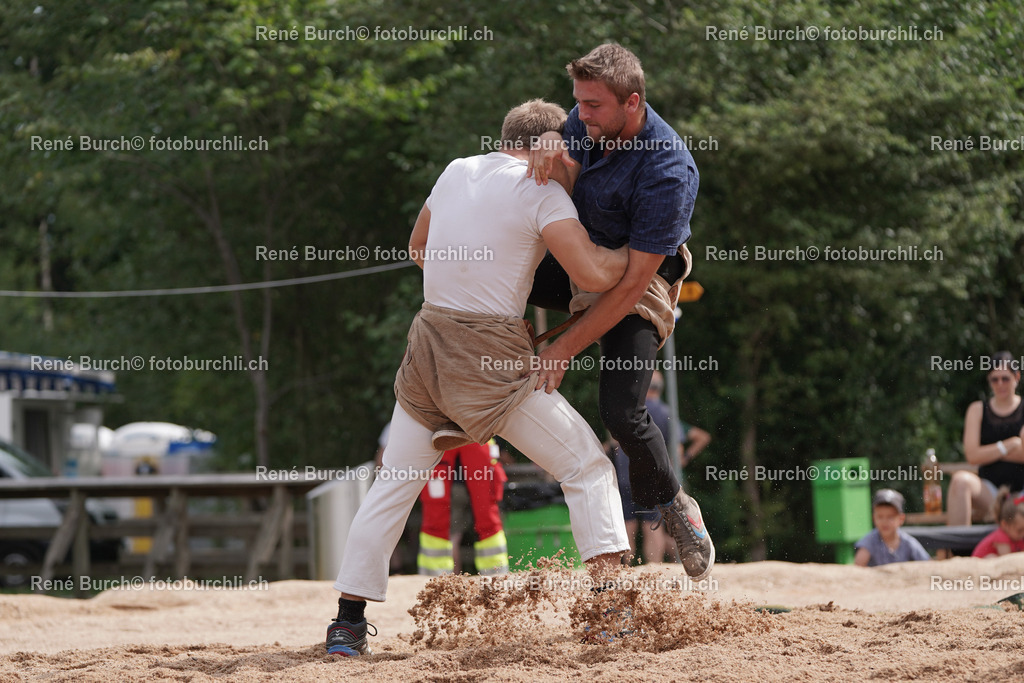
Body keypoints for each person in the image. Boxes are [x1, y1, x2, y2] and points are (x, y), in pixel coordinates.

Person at [325, 99, 632, 656]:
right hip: (488, 359)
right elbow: (592, 272)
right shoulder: (543, 190)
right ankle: (607, 611)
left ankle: (346, 623)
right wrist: (640, 258)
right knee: (586, 465)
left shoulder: (454, 170)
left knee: (393, 485)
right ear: (551, 147)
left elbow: (417, 247)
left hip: (427, 348)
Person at [525, 43, 713, 578]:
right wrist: (547, 139)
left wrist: (562, 347)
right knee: (497, 260)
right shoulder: (585, 120)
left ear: (632, 103)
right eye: (577, 104)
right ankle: (497, 351)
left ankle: (678, 508)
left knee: (621, 411)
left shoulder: (669, 169)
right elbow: (560, 133)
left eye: (593, 107)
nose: (580, 115)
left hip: (638, 279)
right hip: (582, 260)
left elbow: (630, 286)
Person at [613, 370, 710, 564]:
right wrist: (678, 467)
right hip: (653, 477)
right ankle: (653, 569)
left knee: (626, 524)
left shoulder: (628, 410)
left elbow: (615, 443)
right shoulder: (666, 413)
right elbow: (677, 449)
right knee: (653, 525)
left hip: (624, 475)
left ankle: (625, 570)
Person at [948, 351, 1024, 526]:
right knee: (960, 481)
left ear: (1016, 377)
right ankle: (958, 551)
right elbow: (972, 456)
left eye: (1005, 378)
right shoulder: (977, 409)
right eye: (994, 379)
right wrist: (1010, 445)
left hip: (1021, 495)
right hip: (989, 492)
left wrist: (987, 451)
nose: (1000, 384)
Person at [417, 441, 509, 577]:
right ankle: (496, 575)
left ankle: (495, 576)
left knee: (486, 522)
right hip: (458, 464)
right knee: (441, 525)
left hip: (459, 454)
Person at [854, 489, 930, 567]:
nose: (884, 521)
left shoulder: (908, 542)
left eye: (890, 517)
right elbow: (858, 566)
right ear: (873, 518)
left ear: (901, 519)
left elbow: (927, 564)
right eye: (880, 517)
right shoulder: (869, 541)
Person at [972, 487, 1024, 558]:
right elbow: (1006, 559)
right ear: (1004, 525)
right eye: (1019, 530)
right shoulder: (1001, 536)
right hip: (978, 564)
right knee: (992, 557)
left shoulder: (1018, 539)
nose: (1022, 534)